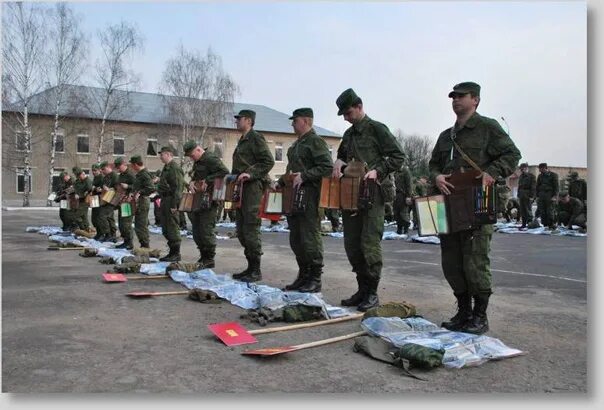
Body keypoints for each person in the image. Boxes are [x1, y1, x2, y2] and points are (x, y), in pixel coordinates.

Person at [429, 81, 521, 334]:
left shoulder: (488, 128)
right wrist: (436, 176)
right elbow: (433, 164)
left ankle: (480, 315)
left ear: (475, 100)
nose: (455, 100)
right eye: (453, 97)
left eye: (461, 96)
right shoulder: (446, 136)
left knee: (475, 260)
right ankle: (463, 311)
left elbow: (512, 154)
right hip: (449, 202)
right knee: (452, 261)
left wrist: (492, 172)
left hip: (477, 201)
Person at [332, 88, 405, 311]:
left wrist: (378, 171)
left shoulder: (376, 129)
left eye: (348, 112)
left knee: (369, 244)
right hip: (351, 193)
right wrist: (338, 162)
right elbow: (343, 157)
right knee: (352, 245)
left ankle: (372, 293)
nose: (346, 117)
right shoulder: (349, 134)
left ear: (359, 106)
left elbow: (398, 157)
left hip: (373, 195)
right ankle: (362, 289)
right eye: (343, 114)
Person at [277, 108, 333, 292]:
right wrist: (281, 181)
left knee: (310, 239)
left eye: (295, 121)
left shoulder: (316, 142)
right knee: (296, 239)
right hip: (294, 197)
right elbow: (292, 169)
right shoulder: (297, 145)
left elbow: (327, 167)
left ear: (306, 121)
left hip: (310, 197)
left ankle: (315, 278)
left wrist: (306, 176)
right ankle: (303, 275)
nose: (292, 124)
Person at [230, 110, 275, 283]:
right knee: (241, 229)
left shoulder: (255, 138)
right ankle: (250, 267)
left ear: (248, 121)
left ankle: (256, 270)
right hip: (241, 187)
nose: (236, 122)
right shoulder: (242, 140)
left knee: (250, 227)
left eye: (239, 119)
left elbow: (268, 161)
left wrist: (250, 174)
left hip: (253, 187)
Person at [183, 140, 229, 267]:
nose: (192, 158)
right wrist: (192, 182)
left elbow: (224, 172)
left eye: (192, 155)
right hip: (199, 199)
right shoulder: (198, 162)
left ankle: (209, 259)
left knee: (206, 230)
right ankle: (203, 256)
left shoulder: (210, 158)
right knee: (197, 230)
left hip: (210, 200)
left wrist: (207, 180)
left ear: (198, 150)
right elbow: (196, 176)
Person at [157, 146, 185, 261]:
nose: (160, 156)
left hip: (171, 200)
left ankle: (176, 254)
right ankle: (171, 252)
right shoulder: (166, 167)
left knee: (172, 227)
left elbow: (178, 188)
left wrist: (175, 205)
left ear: (168, 154)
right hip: (165, 200)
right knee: (166, 228)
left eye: (162, 154)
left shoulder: (174, 168)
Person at [129, 155, 155, 248]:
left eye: (132, 165)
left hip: (143, 201)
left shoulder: (144, 174)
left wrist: (140, 192)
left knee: (141, 224)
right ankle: (143, 244)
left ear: (136, 164)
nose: (131, 167)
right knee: (139, 224)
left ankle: (145, 245)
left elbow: (151, 188)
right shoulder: (140, 174)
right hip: (138, 201)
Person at [113, 157, 136, 250]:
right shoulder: (121, 175)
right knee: (121, 223)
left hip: (127, 202)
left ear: (124, 164)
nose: (118, 169)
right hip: (121, 201)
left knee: (126, 223)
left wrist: (128, 186)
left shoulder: (131, 174)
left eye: (119, 166)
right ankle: (125, 241)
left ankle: (129, 243)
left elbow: (137, 186)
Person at [98, 161, 119, 242]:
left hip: (112, 198)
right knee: (108, 217)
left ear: (108, 167)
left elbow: (118, 188)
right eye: (102, 170)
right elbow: (103, 186)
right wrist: (101, 189)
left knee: (104, 216)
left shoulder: (114, 176)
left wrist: (109, 189)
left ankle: (110, 234)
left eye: (103, 169)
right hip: (106, 198)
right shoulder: (106, 177)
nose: (102, 171)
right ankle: (110, 235)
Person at [536, 162, 559, 230]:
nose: (540, 170)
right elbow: (537, 186)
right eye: (539, 169)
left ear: (545, 168)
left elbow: (556, 187)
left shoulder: (553, 175)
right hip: (541, 195)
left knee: (550, 211)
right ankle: (545, 224)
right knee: (542, 210)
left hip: (550, 195)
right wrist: (537, 196)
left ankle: (551, 224)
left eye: (541, 169)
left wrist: (555, 196)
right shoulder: (540, 176)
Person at [393, 165, 413, 235]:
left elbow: (409, 184)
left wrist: (408, 196)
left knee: (403, 212)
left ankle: (406, 229)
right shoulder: (394, 171)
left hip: (403, 194)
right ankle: (399, 229)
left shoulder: (405, 171)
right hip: (395, 194)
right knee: (396, 212)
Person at [72, 167, 92, 231]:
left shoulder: (87, 181)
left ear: (82, 174)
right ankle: (86, 229)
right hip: (79, 201)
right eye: (77, 176)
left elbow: (89, 191)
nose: (78, 177)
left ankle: (83, 228)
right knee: (84, 216)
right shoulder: (78, 181)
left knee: (76, 216)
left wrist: (80, 195)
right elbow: (75, 188)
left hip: (85, 201)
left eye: (79, 176)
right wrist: (75, 193)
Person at [517, 162, 536, 229]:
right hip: (522, 195)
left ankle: (530, 223)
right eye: (521, 169)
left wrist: (532, 196)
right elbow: (519, 186)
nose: (522, 170)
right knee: (522, 210)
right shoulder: (521, 176)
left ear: (526, 168)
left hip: (528, 195)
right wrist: (518, 195)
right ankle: (524, 224)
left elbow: (533, 187)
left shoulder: (531, 176)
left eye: (523, 169)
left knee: (528, 210)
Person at [90, 163, 105, 239]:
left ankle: (102, 233)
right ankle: (99, 233)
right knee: (94, 218)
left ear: (99, 170)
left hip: (99, 199)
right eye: (92, 170)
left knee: (99, 218)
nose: (93, 172)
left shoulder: (101, 178)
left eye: (95, 170)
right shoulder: (95, 178)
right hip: (94, 199)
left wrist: (95, 188)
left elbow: (103, 189)